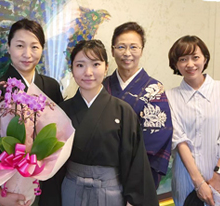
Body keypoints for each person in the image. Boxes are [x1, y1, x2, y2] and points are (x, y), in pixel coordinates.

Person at [40, 40, 159, 206]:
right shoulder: (61, 111)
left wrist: (134, 200)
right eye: (80, 65)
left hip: (110, 192)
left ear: (106, 67)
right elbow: (52, 165)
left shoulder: (123, 112)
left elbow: (136, 163)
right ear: (72, 69)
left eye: (96, 64)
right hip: (71, 190)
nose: (88, 72)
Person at [0, 18, 63, 206]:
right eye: (20, 46)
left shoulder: (51, 87)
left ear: (42, 49)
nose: (27, 54)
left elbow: (59, 137)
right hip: (1, 189)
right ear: (8, 47)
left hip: (40, 185)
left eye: (34, 47)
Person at [102, 22, 172, 188]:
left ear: (141, 50)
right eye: (121, 47)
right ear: (112, 51)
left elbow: (155, 140)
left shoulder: (154, 90)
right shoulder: (101, 87)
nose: (127, 53)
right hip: (101, 175)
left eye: (134, 47)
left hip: (137, 173)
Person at [166, 35, 220, 206]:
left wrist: (217, 176)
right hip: (185, 181)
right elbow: (179, 140)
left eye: (195, 57)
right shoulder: (169, 97)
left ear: (205, 58)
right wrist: (199, 183)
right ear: (175, 64)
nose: (190, 64)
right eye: (183, 59)